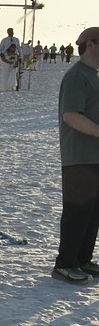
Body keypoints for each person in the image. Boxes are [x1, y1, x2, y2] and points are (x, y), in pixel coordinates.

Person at [52, 27, 99, 284]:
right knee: (77, 211)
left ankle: (82, 259)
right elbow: (70, 115)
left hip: (95, 156)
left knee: (93, 212)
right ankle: (65, 264)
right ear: (90, 44)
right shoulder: (76, 76)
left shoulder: (95, 75)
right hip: (79, 156)